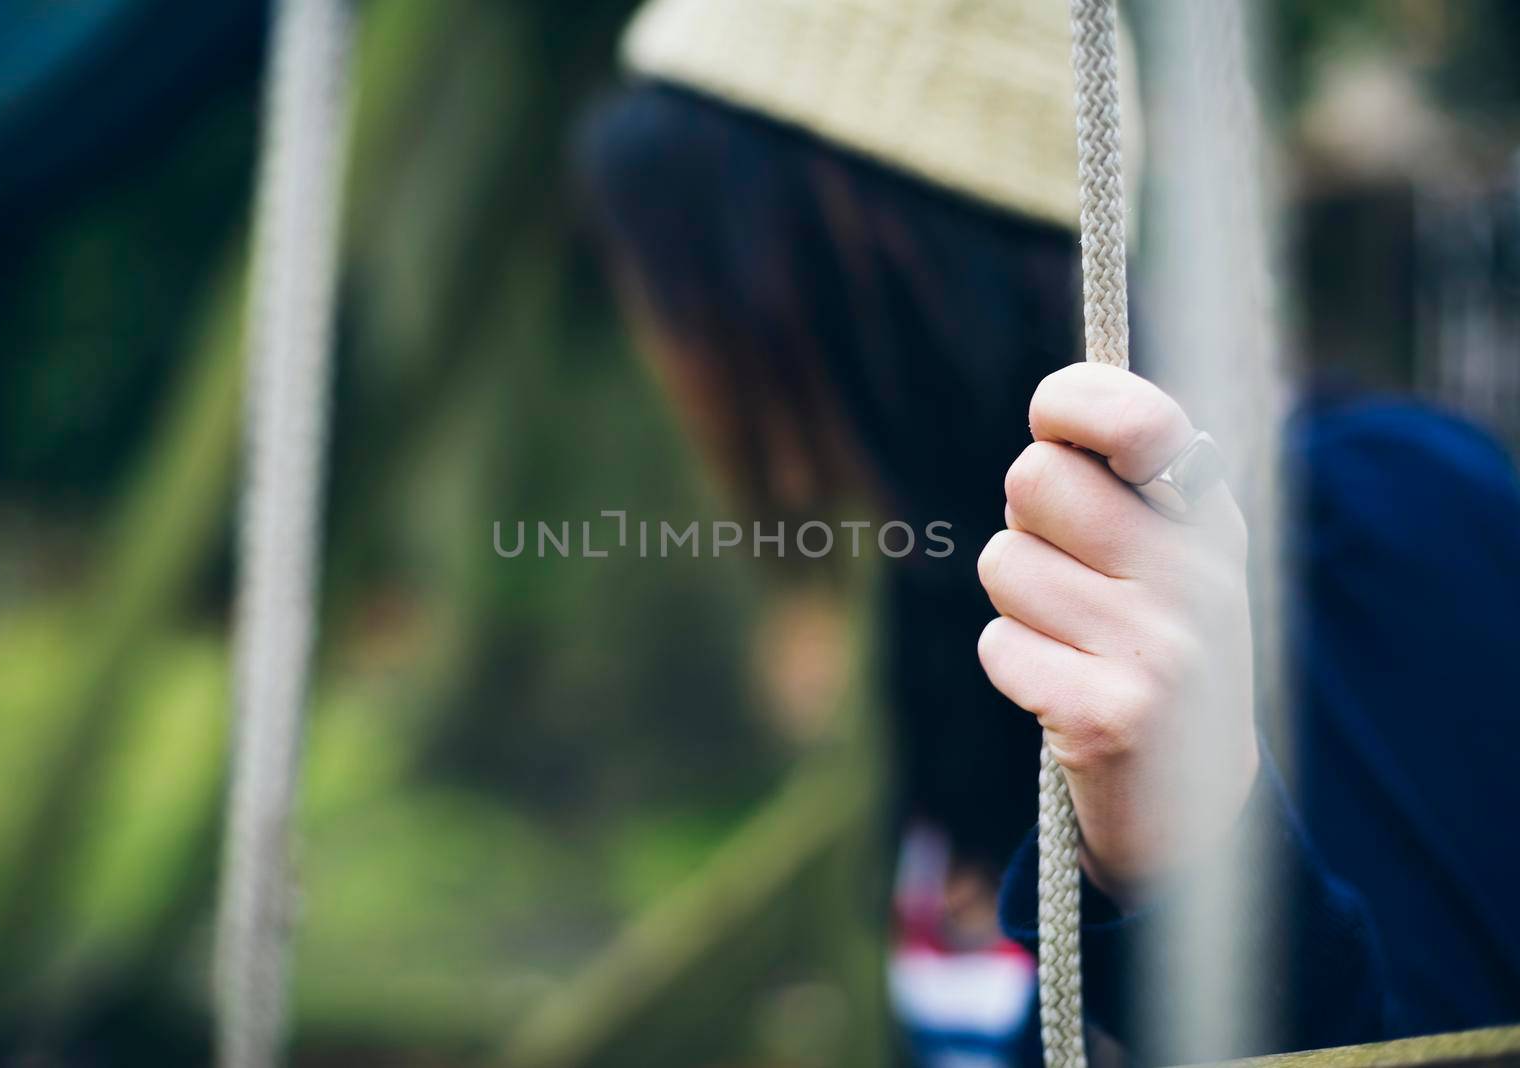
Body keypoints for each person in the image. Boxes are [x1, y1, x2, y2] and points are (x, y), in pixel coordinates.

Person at [574, 0, 1520, 1063]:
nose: (672, 356)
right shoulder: (945, 598)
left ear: (855, 269)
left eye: (689, 288)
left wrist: (1186, 857)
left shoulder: (1385, 524)